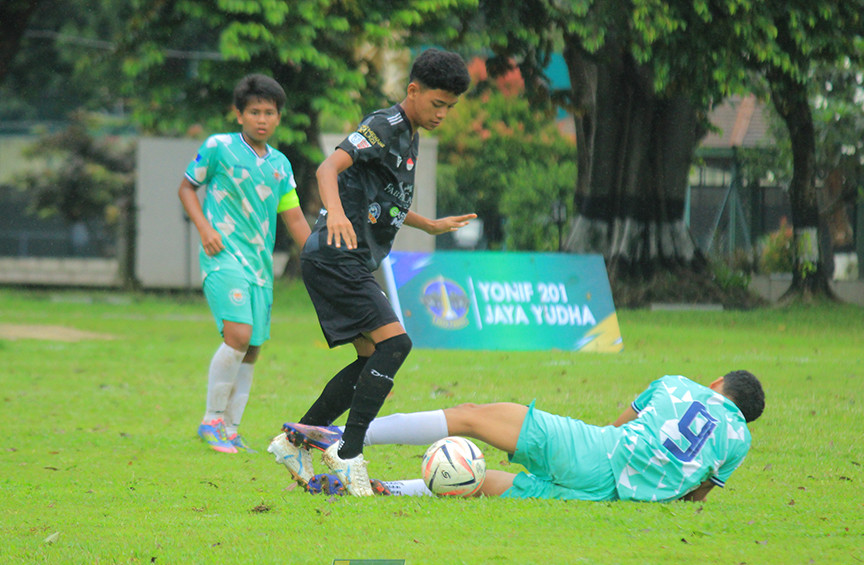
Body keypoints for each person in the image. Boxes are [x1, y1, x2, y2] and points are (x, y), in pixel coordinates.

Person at [267, 48, 475, 495]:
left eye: (450, 107)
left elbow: (386, 201)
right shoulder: (385, 125)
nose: (442, 114)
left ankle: (295, 441)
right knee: (396, 344)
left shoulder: (410, 135)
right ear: (413, 90)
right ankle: (348, 453)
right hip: (336, 255)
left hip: (350, 259)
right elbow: (328, 168)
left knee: (370, 358)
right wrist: (336, 214)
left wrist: (429, 224)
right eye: (437, 103)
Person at [279, 371, 765, 502]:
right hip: (611, 499)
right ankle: (383, 490)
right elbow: (696, 494)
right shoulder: (739, 441)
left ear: (717, 383)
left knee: (472, 417)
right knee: (477, 481)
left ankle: (339, 433)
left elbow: (617, 428)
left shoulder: (679, 384)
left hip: (596, 453)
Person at [179, 74, 311, 453]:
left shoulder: (281, 165)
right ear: (239, 115)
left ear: (279, 117)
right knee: (237, 335)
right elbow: (187, 188)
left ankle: (231, 428)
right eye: (254, 112)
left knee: (252, 347)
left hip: (259, 266)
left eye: (269, 112)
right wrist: (205, 228)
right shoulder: (218, 147)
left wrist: (319, 259)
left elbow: (295, 218)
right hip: (222, 257)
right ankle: (211, 421)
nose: (262, 119)